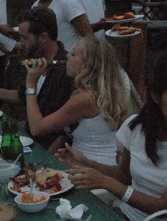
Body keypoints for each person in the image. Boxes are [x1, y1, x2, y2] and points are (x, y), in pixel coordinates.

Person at [59, 50, 167, 221]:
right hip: (126, 220)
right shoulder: (135, 128)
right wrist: (88, 163)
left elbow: (164, 208)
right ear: (156, 95)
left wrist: (105, 182)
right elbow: (124, 176)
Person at [0, 7, 74, 149]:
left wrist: (48, 159)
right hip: (30, 140)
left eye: (25, 38)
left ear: (43, 37)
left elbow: (68, 128)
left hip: (49, 148)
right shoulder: (38, 62)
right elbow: (22, 96)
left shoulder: (67, 69)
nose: (21, 43)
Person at [26, 36, 129, 165]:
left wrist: (31, 85)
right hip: (89, 162)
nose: (67, 55)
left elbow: (37, 128)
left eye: (73, 54)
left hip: (94, 169)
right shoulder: (98, 92)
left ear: (85, 65)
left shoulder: (85, 98)